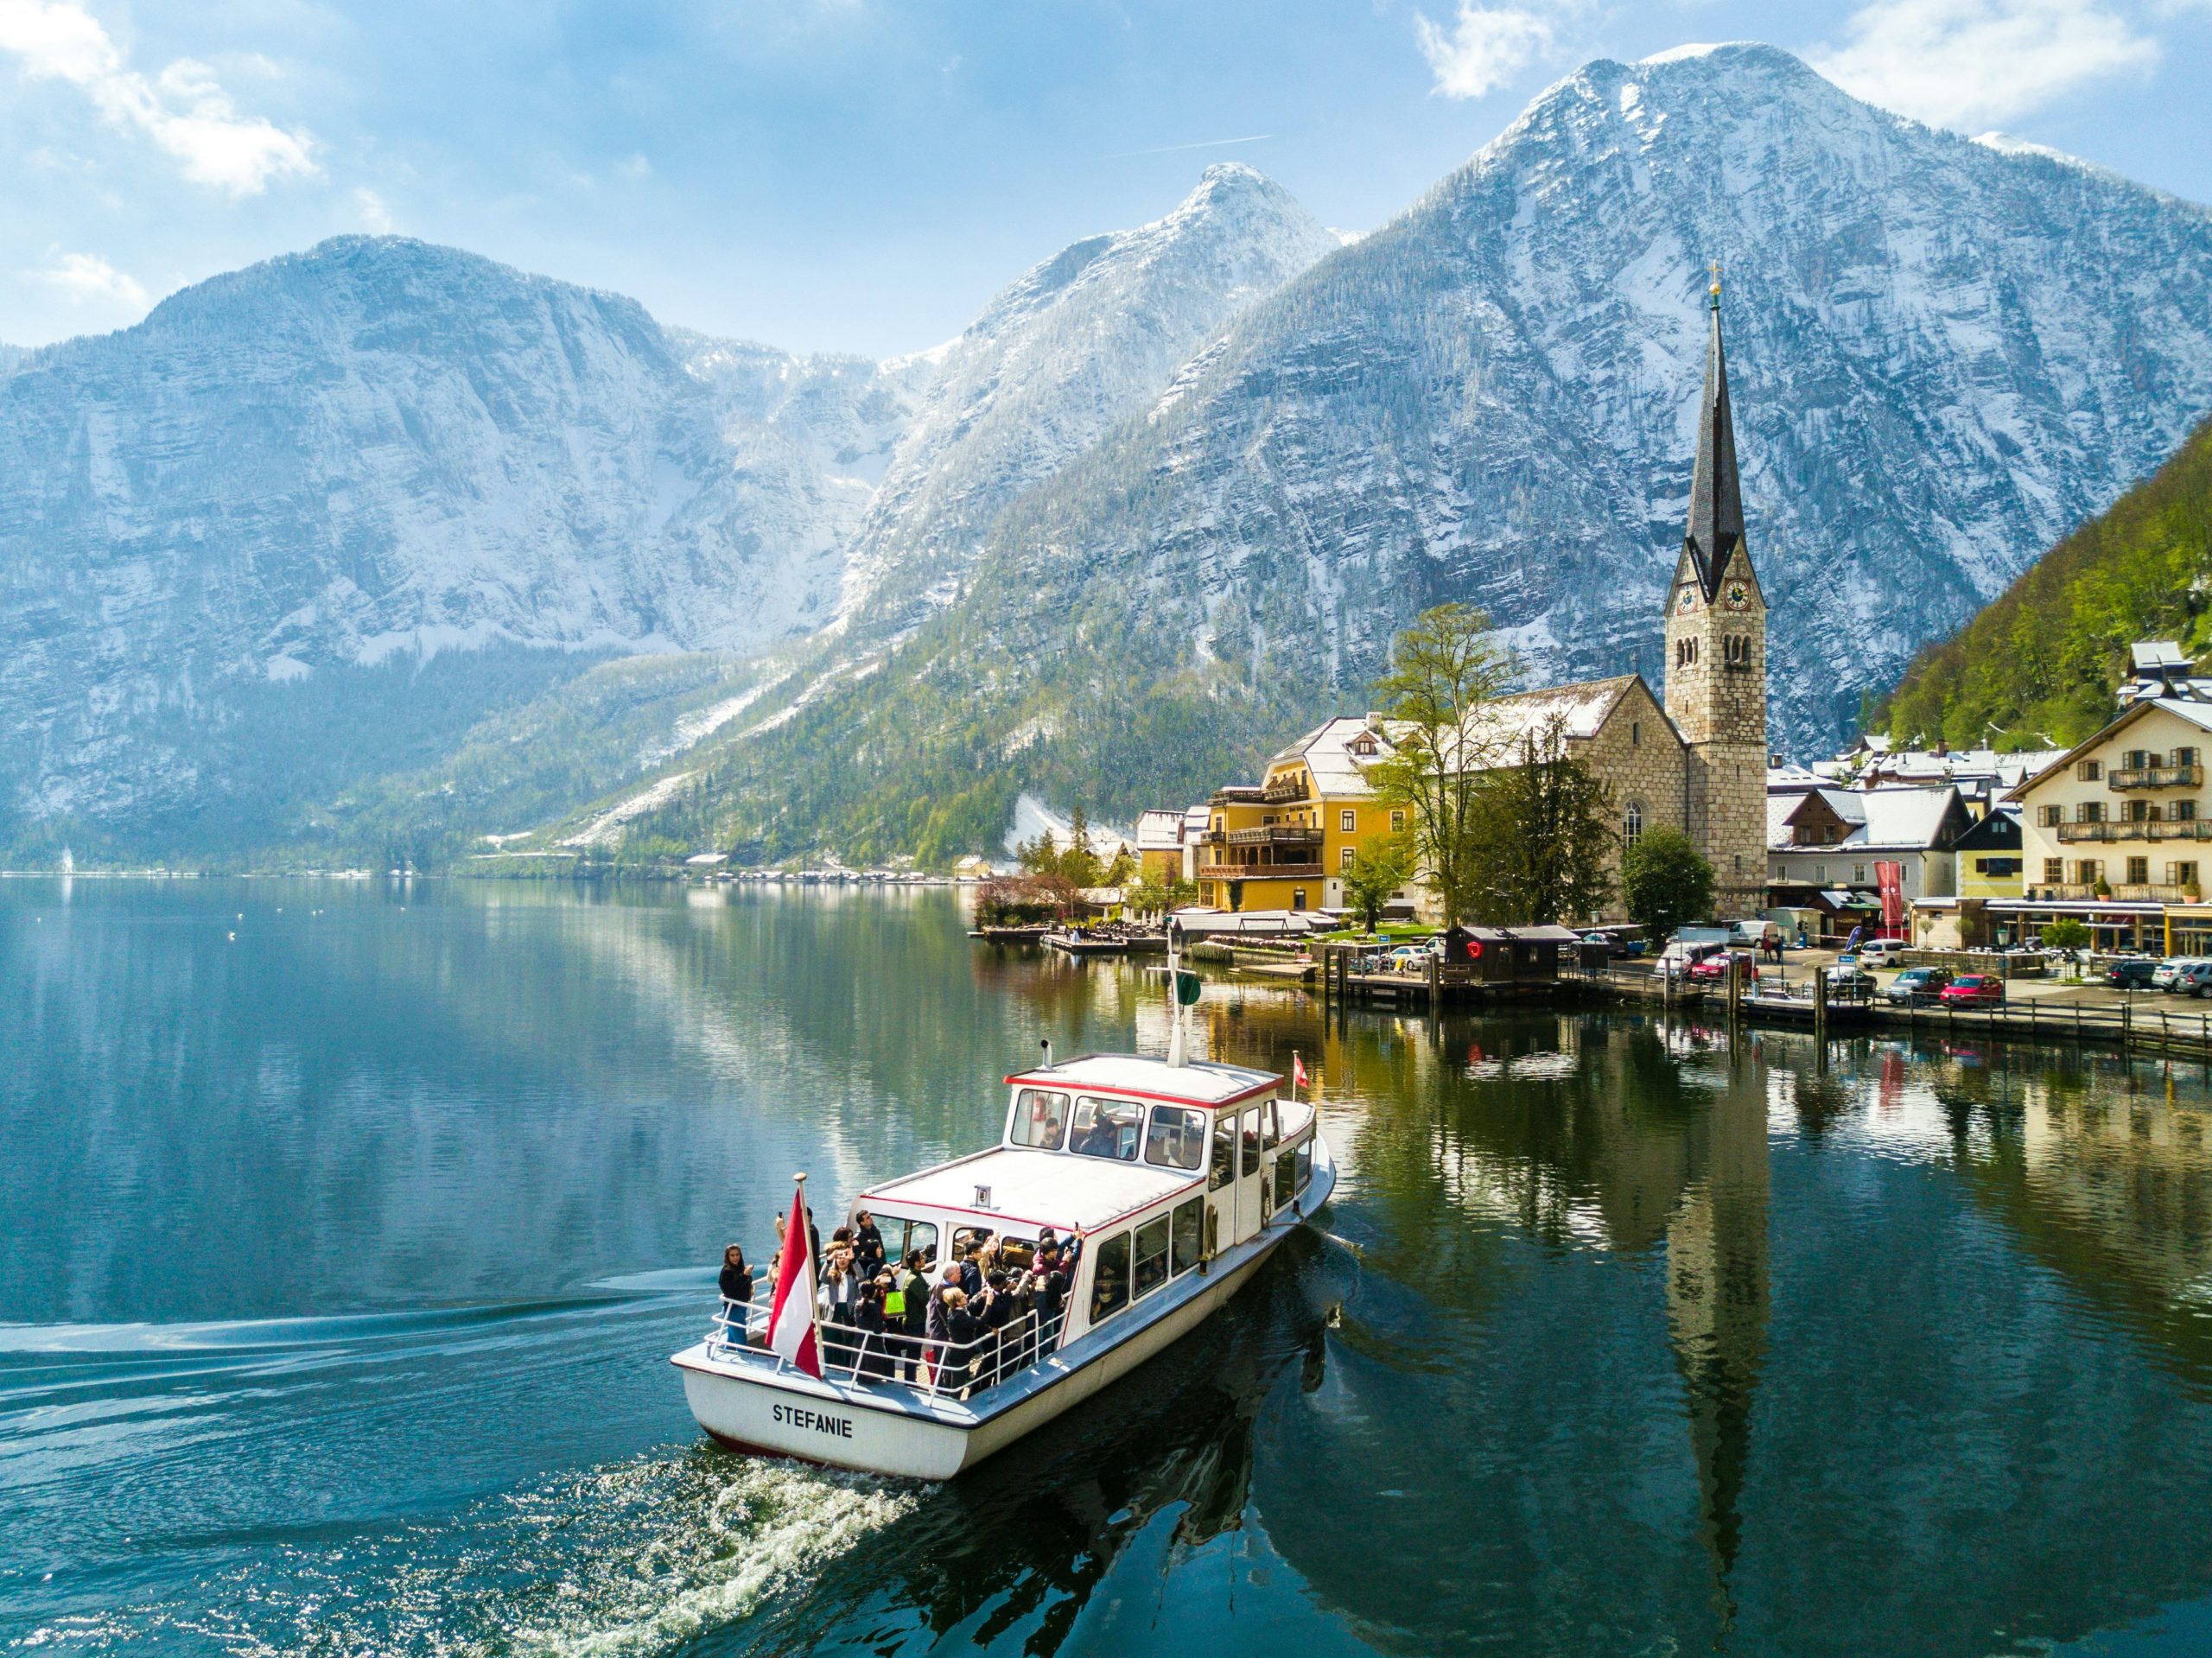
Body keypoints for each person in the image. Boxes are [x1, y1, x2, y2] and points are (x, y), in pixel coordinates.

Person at [939, 1288, 979, 1397]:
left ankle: (946, 1402)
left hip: (953, 1353)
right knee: (957, 1385)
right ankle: (953, 1406)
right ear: (957, 1302)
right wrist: (989, 1303)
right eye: (962, 1296)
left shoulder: (952, 1311)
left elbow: (968, 1308)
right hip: (959, 1355)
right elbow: (980, 1321)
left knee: (948, 1382)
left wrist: (980, 1295)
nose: (965, 1296)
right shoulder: (959, 1317)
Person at [855, 1277, 893, 1381]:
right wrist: (885, 1325)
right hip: (873, 1344)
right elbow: (877, 1329)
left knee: (860, 1365)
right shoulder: (876, 1307)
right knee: (871, 1369)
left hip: (859, 1340)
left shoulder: (857, 1304)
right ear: (874, 1293)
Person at [717, 1245, 753, 1344]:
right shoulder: (726, 1272)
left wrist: (749, 1287)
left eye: (737, 1255)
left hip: (741, 1308)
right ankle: (744, 1357)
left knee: (731, 1341)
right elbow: (731, 1291)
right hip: (733, 1310)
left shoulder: (740, 1268)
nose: (735, 1257)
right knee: (741, 1341)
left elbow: (744, 1284)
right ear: (727, 1257)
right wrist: (745, 1276)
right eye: (732, 1255)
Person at [853, 1210, 886, 1277]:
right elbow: (857, 1257)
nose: (871, 1218)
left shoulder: (876, 1231)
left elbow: (882, 1249)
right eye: (868, 1218)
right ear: (862, 1222)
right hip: (867, 1268)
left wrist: (883, 1264)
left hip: (878, 1263)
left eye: (870, 1216)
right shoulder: (858, 1237)